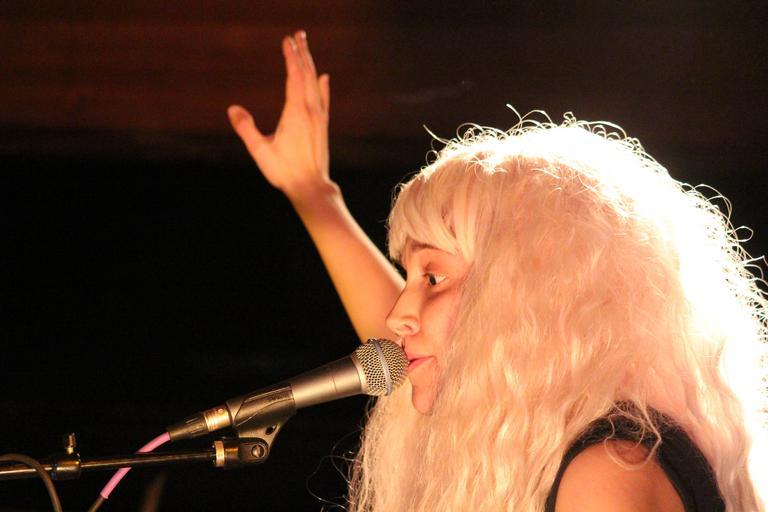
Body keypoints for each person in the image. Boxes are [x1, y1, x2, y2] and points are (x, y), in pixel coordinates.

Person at [227, 31, 767, 511]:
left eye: (432, 278)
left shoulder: (609, 473)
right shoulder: (562, 446)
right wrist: (313, 196)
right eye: (410, 277)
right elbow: (423, 343)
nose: (397, 316)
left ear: (526, 295)